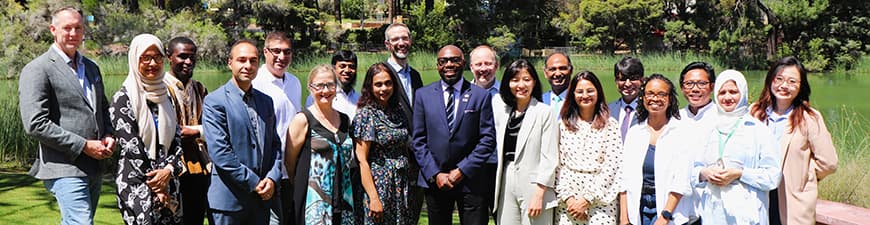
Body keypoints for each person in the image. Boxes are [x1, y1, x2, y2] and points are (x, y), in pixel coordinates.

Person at [18, 7, 115, 225]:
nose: (73, 33)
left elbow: (102, 107)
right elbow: (35, 123)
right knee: (80, 222)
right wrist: (83, 145)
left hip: (94, 166)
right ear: (53, 30)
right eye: (67, 28)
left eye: (78, 28)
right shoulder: (38, 69)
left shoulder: (91, 67)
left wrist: (108, 133)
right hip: (63, 166)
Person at [412, 45, 496, 225]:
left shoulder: (480, 96)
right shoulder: (423, 95)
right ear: (438, 65)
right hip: (436, 181)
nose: (449, 64)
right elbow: (418, 141)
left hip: (471, 180)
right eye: (444, 61)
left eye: (454, 60)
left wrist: (462, 170)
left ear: (463, 63)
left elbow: (487, 139)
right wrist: (435, 173)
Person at [203, 40, 283, 225]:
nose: (248, 66)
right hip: (229, 201)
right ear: (230, 63)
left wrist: (272, 177)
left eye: (253, 61)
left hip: (261, 201)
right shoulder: (215, 101)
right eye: (242, 60)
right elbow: (220, 153)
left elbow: (275, 146)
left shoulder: (266, 102)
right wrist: (254, 182)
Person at [750, 57, 837, 225]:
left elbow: (829, 163)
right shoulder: (754, 113)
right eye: (779, 79)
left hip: (792, 200)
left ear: (801, 86)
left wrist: (805, 174)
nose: (784, 86)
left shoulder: (809, 117)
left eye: (792, 81)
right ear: (770, 81)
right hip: (759, 195)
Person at [111, 34, 184, 224]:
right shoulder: (124, 98)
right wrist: (158, 187)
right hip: (138, 184)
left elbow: (177, 141)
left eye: (157, 57)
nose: (152, 63)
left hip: (168, 181)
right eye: (145, 58)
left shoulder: (166, 96)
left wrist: (168, 170)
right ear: (135, 59)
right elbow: (131, 147)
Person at [691, 70, 781, 225]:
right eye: (722, 92)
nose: (727, 97)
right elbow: (692, 170)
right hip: (713, 213)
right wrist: (704, 173)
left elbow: (773, 177)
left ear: (743, 93)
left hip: (747, 213)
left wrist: (739, 174)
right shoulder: (708, 128)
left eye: (733, 92)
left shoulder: (758, 130)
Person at [287, 65, 358, 225]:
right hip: (314, 201)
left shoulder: (345, 120)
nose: (325, 91)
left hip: (343, 198)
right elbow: (290, 163)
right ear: (310, 88)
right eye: (319, 85)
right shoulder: (303, 120)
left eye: (330, 85)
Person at [619, 74, 695, 225]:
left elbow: (681, 180)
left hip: (669, 209)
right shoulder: (635, 132)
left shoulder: (681, 131)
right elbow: (624, 178)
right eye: (650, 94)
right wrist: (623, 218)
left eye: (662, 94)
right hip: (638, 207)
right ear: (643, 97)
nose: (655, 98)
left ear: (670, 99)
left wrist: (664, 216)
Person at [352, 63, 420, 224]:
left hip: (402, 181)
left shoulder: (398, 111)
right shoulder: (366, 115)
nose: (384, 88)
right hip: (378, 183)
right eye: (378, 84)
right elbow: (362, 159)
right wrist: (374, 198)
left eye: (388, 83)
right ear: (370, 86)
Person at [491, 59, 557, 225]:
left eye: (526, 79)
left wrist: (539, 194)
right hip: (506, 178)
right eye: (515, 80)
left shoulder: (544, 112)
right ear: (507, 83)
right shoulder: (501, 109)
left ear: (534, 82)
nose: (521, 85)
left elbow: (550, 158)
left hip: (535, 182)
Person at [555, 71, 622, 225]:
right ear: (572, 94)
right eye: (579, 91)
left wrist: (587, 199)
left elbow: (613, 166)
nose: (585, 95)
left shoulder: (610, 125)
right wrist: (569, 199)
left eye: (590, 91)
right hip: (568, 201)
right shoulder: (562, 125)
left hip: (600, 200)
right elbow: (557, 165)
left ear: (598, 92)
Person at [251, 31, 302, 225]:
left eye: (287, 52)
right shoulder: (256, 83)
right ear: (265, 52)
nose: (282, 57)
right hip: (266, 171)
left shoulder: (294, 83)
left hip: (291, 169)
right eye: (276, 51)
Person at [163, 36, 211, 225]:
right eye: (182, 56)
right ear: (169, 57)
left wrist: (196, 131)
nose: (188, 62)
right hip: (169, 168)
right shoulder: (160, 88)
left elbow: (215, 126)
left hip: (199, 168)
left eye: (192, 57)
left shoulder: (200, 89)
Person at [469, 44, 501, 221]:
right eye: (478, 64)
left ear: (496, 66)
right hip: (472, 170)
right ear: (471, 67)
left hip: (500, 169)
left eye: (488, 64)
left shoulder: (508, 95)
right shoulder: (462, 93)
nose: (483, 69)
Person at [383, 23, 424, 121]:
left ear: (410, 41)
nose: (401, 43)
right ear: (387, 44)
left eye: (405, 38)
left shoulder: (415, 75)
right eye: (395, 39)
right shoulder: (380, 74)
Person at [306, 50, 361, 118]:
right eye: (342, 66)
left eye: (351, 66)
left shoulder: (360, 98)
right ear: (333, 68)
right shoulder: (319, 96)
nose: (347, 70)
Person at [608, 56, 644, 141]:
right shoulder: (607, 111)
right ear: (616, 81)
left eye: (633, 79)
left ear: (642, 80)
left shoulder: (650, 111)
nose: (627, 84)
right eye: (623, 79)